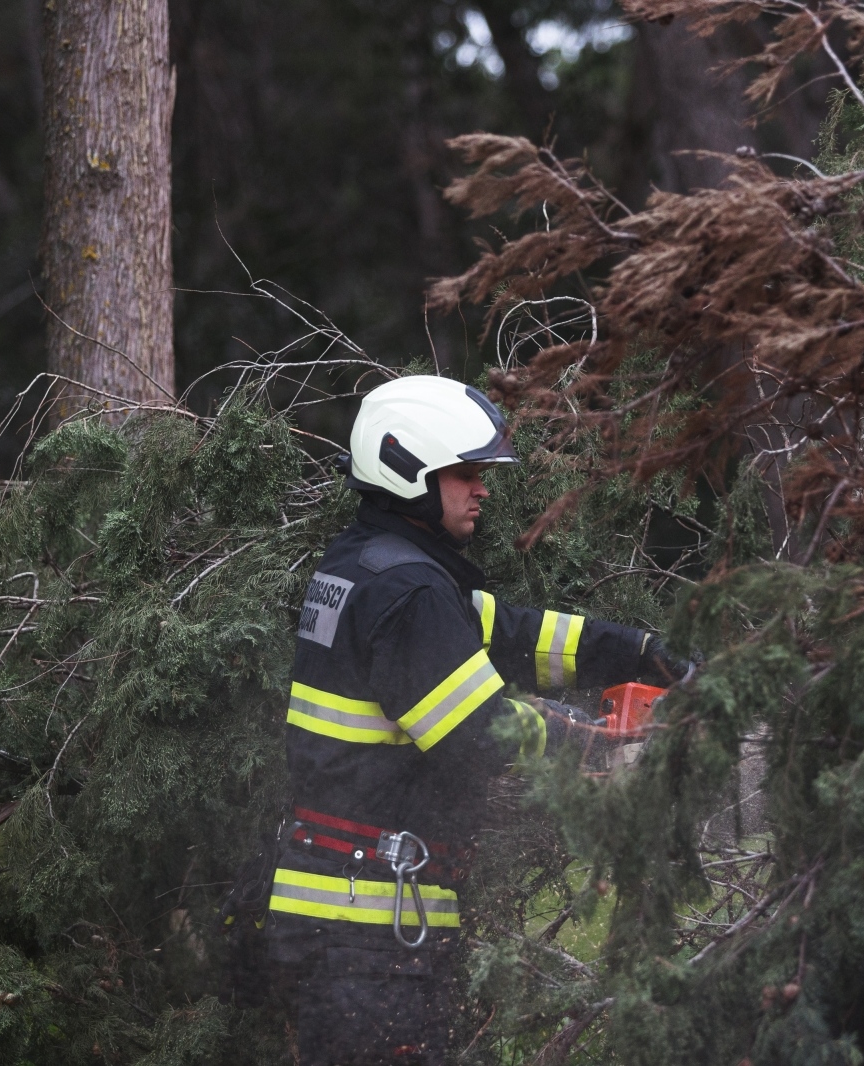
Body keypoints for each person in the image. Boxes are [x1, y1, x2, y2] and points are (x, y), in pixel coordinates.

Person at [265, 375, 686, 1066]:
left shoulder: (372, 567)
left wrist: (637, 652)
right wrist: (600, 742)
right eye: (464, 473)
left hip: (348, 917)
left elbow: (513, 636)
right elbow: (481, 734)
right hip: (366, 930)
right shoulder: (407, 593)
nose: (482, 489)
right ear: (407, 469)